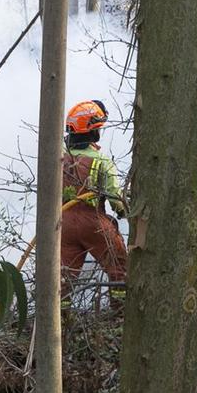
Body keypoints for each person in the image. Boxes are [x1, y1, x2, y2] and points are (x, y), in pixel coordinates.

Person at [59, 98, 128, 294]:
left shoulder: (58, 156)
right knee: (119, 269)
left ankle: (61, 320)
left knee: (63, 279)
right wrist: (125, 211)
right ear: (91, 131)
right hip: (93, 224)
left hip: (63, 224)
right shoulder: (101, 160)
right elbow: (115, 198)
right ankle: (119, 313)